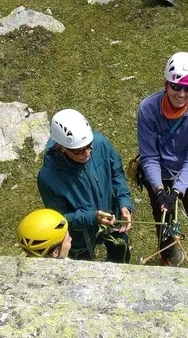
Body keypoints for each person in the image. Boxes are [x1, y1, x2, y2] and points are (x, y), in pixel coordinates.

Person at [135, 51, 188, 271]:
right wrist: (160, 189)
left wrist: (176, 191)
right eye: (176, 87)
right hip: (160, 173)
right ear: (166, 84)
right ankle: (169, 258)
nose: (181, 94)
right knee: (163, 222)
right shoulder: (148, 109)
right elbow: (150, 156)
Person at [36, 108, 134, 262]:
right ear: (60, 147)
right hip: (79, 237)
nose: (87, 154)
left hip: (112, 217)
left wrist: (124, 203)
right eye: (79, 151)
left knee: (120, 257)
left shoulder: (100, 142)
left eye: (89, 146)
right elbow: (60, 218)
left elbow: (116, 173)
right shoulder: (48, 177)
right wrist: (92, 217)